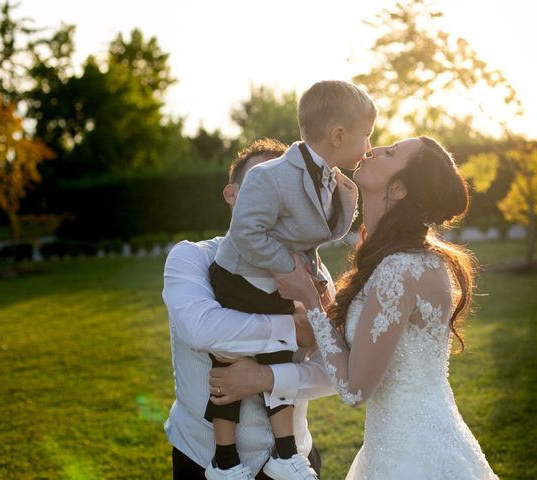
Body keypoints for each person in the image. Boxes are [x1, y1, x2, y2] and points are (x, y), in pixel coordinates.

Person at [274, 136, 500, 479]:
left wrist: (310, 302)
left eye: (391, 153)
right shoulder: (398, 259)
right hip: (395, 441)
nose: (373, 150)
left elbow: (353, 389)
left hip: (414, 454)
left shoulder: (402, 268)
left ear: (398, 190)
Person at [205, 80, 376, 480]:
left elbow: (309, 241)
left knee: (279, 360)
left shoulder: (335, 181)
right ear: (338, 135)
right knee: (235, 359)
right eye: (366, 136)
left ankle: (284, 454)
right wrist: (291, 269)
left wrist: (310, 274)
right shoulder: (269, 176)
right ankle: (224, 461)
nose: (368, 147)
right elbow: (246, 233)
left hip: (278, 283)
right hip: (240, 279)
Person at [162, 138, 336, 480]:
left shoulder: (312, 270)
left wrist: (264, 377)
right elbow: (203, 330)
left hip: (295, 459)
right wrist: (299, 328)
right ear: (231, 194)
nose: (274, 197)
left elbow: (336, 370)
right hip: (203, 458)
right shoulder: (192, 257)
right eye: (260, 182)